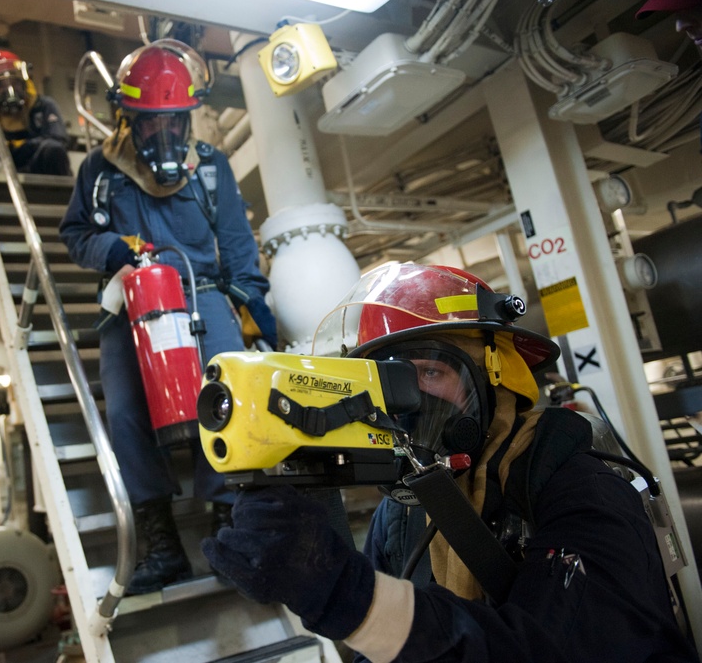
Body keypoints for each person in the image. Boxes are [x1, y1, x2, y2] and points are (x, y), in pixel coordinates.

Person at [203, 263, 698, 662]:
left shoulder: (581, 493)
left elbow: (558, 648)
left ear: (495, 378)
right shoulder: (400, 517)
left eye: (431, 371)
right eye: (390, 381)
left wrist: (347, 598)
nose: (409, 400)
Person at [60, 39, 277, 595]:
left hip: (201, 291)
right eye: (151, 123)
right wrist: (108, 249)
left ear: (187, 117)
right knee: (127, 410)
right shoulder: (99, 169)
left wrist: (247, 299)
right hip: (131, 297)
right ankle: (160, 541)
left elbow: (236, 242)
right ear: (127, 117)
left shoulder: (210, 169)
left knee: (226, 395)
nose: (165, 134)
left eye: (175, 122)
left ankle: (227, 520)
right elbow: (75, 233)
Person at [0, 49, 72, 176]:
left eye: (15, 83)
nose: (9, 90)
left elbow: (58, 140)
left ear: (24, 83)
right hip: (5, 172)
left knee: (53, 149)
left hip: (40, 169)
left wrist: (20, 149)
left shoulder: (43, 106)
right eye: (1, 86)